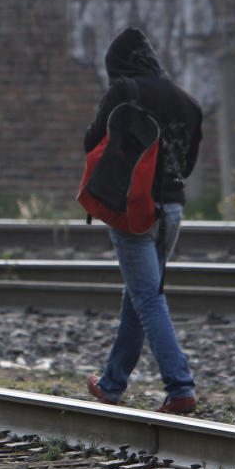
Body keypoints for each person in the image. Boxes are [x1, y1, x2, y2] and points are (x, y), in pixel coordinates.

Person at [82, 28, 202, 414]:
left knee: (148, 297)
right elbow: (187, 164)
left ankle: (180, 385)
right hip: (172, 209)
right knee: (138, 295)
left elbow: (91, 141)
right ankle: (113, 382)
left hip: (134, 208)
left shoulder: (125, 92)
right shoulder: (187, 101)